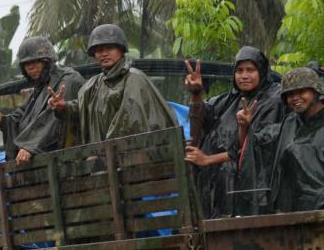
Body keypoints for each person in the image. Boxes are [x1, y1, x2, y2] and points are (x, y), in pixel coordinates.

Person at [183, 48, 285, 218]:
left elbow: (257, 147)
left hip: (249, 189)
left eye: (250, 70)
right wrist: (196, 93)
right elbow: (198, 123)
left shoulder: (274, 100)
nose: (244, 75)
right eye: (239, 70)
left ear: (262, 71)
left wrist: (207, 160)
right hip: (216, 190)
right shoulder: (227, 101)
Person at [49, 24, 177, 144]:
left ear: (121, 50)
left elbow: (130, 121)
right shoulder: (94, 84)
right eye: (98, 50)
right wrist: (63, 106)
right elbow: (82, 107)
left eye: (109, 48)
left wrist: (103, 150)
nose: (104, 53)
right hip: (105, 158)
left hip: (131, 155)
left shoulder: (134, 78)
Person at [0, 36, 85, 162]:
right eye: (26, 64)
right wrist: (2, 120)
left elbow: (52, 120)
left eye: (35, 62)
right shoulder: (40, 88)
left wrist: (30, 146)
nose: (30, 68)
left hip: (68, 160)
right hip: (48, 164)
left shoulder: (68, 80)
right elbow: (23, 116)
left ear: (47, 62)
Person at [237, 67, 324, 213]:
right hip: (289, 213)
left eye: (301, 91)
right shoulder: (288, 124)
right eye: (289, 94)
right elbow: (253, 144)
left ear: (315, 92)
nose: (295, 97)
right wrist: (244, 126)